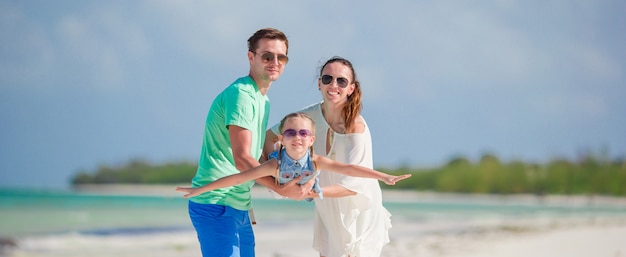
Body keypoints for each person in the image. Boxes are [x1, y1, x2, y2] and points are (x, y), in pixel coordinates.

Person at [185, 28, 308, 257]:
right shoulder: (241, 95)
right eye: (267, 56)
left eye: (281, 57)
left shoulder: (262, 99)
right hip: (216, 203)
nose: (275, 62)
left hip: (239, 204)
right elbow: (242, 159)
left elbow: (257, 156)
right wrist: (281, 188)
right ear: (251, 57)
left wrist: (294, 175)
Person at [263, 56, 391, 257]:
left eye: (341, 81)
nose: (333, 85)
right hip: (326, 207)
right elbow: (268, 138)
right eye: (327, 78)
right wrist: (279, 177)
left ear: (351, 88)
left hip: (359, 210)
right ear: (319, 83)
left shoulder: (356, 127)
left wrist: (308, 192)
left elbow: (352, 187)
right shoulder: (306, 117)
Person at [176, 113, 411, 199]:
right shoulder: (274, 164)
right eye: (290, 132)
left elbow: (348, 169)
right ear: (282, 138)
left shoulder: (316, 160)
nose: (297, 137)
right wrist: (199, 189)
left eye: (303, 133)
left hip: (307, 185)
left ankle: (311, 190)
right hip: (281, 184)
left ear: (311, 139)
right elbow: (238, 177)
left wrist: (382, 176)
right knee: (256, 166)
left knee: (313, 190)